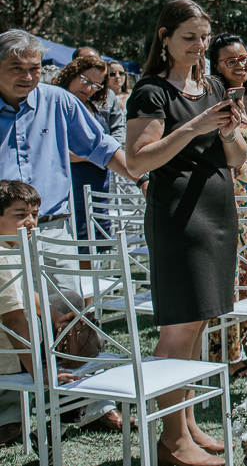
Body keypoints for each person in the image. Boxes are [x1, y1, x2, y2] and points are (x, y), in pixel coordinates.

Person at [125, 0, 247, 466]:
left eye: (203, 37)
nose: (199, 46)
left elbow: (235, 159)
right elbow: (139, 160)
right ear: (164, 38)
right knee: (179, 328)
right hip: (179, 215)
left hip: (218, 209)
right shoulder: (150, 92)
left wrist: (229, 131)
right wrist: (195, 126)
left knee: (198, 324)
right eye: (188, 37)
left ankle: (189, 424)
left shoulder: (213, 84)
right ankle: (171, 443)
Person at [0, 32, 132, 435]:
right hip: (0, 234)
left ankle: (91, 402)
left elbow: (101, 147)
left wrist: (143, 178)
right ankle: (11, 415)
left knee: (74, 313)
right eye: (16, 69)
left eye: (35, 69)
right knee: (8, 322)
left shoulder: (58, 101)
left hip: (52, 226)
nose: (28, 77)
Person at [206, 33, 247, 376]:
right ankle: (228, 358)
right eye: (230, 61)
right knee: (231, 278)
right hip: (228, 196)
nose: (240, 65)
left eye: (243, 59)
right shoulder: (210, 98)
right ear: (214, 65)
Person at [0, 181, 80, 446]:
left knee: (65, 307)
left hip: (13, 347)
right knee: (74, 303)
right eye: (20, 214)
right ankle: (68, 412)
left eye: (34, 214)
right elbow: (13, 319)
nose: (31, 222)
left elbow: (23, 295)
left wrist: (55, 316)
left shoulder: (9, 250)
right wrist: (38, 373)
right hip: (8, 358)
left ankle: (70, 409)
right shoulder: (3, 257)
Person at [52, 55, 138, 239]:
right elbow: (63, 152)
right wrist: (99, 155)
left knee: (99, 236)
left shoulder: (94, 106)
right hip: (72, 185)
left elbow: (109, 139)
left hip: (99, 182)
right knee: (79, 238)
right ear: (71, 74)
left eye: (97, 85)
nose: (89, 88)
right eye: (85, 80)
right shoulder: (55, 105)